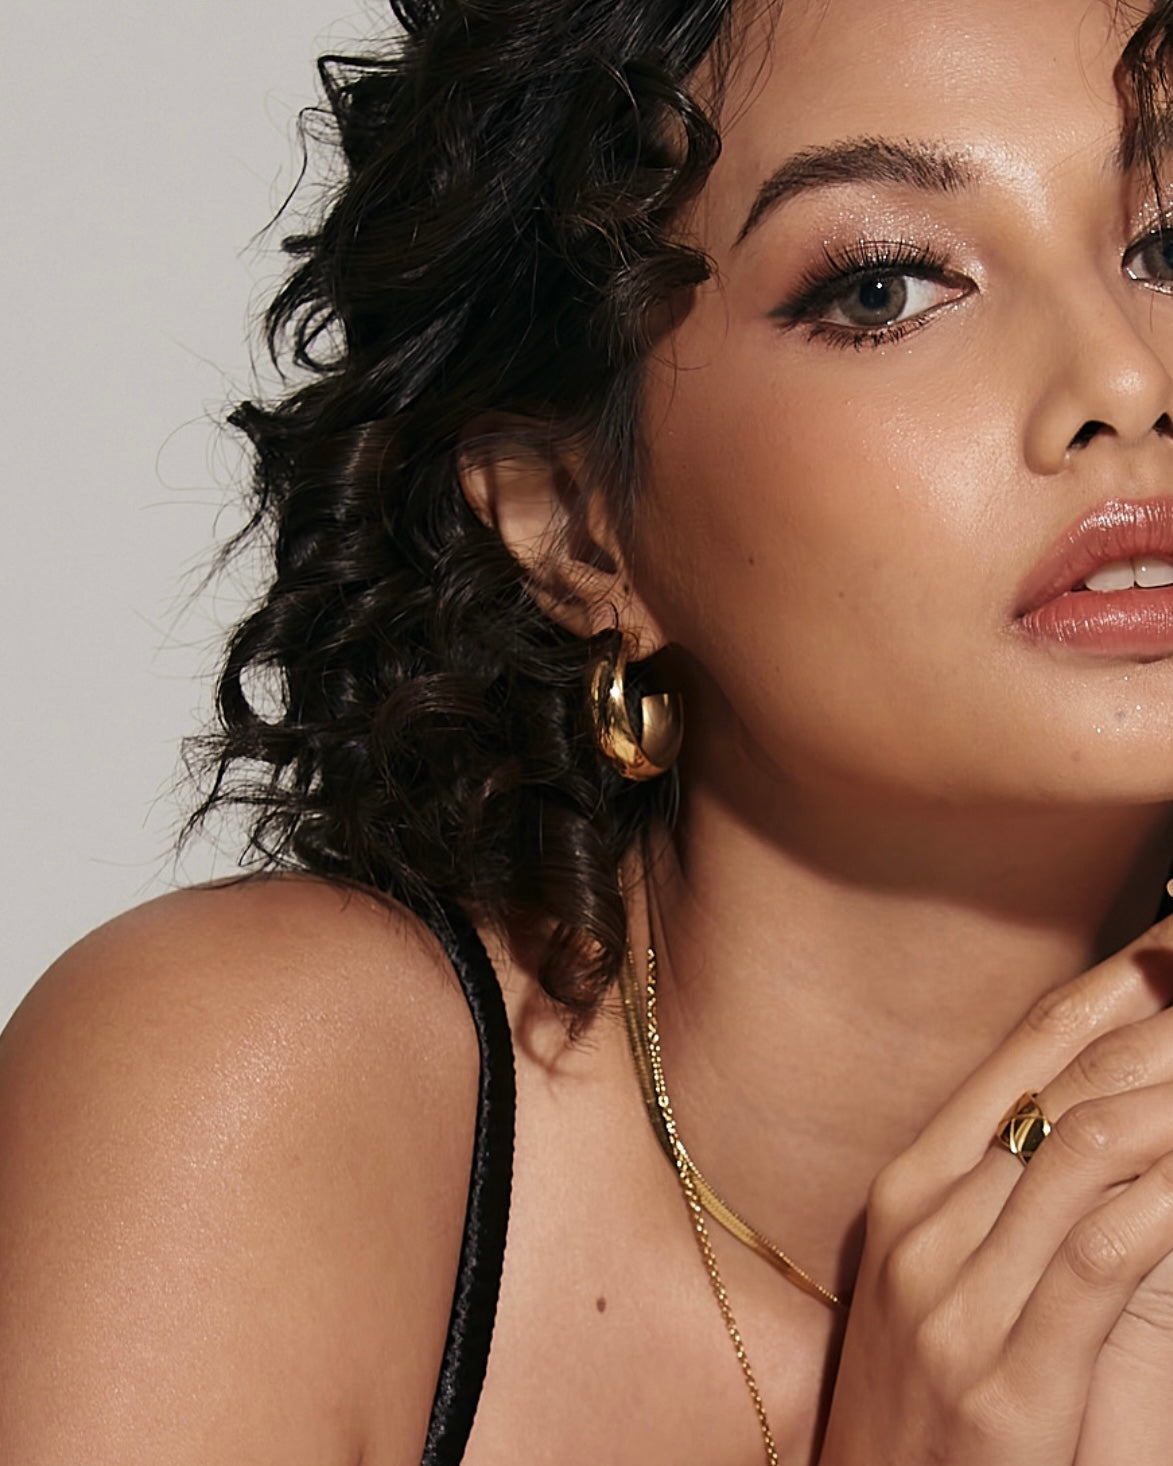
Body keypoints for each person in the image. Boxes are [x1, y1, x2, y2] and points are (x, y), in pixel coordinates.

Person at [7, 0, 1173, 1460]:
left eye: (1166, 247)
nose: (1127, 377)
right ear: (573, 525)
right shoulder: (254, 1101)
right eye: (883, 287)